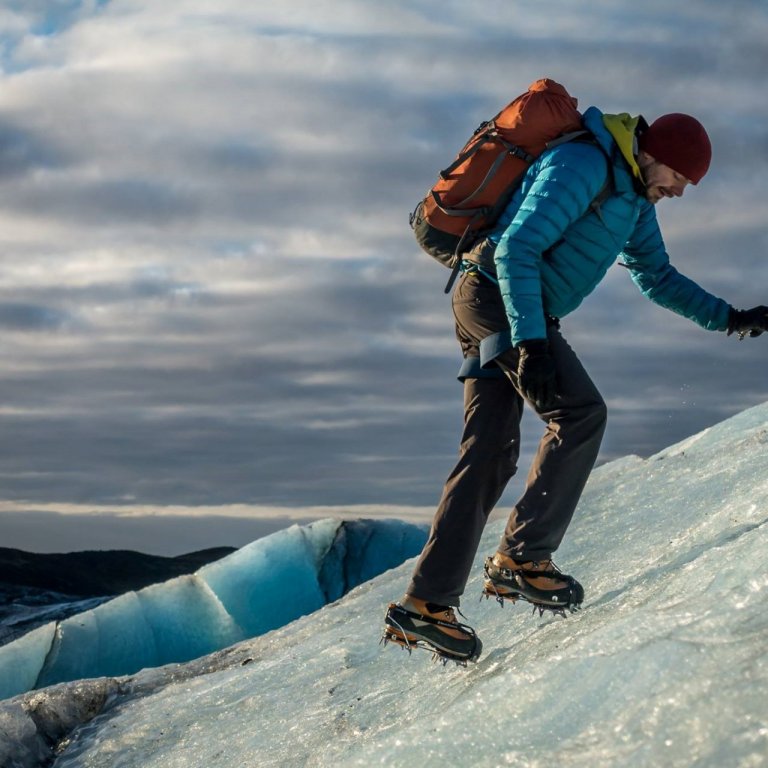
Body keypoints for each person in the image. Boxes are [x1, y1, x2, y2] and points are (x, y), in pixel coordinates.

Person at [382, 107, 768, 664]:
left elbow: (657, 277)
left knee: (490, 450)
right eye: (681, 179)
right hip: (497, 297)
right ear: (657, 155)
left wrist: (730, 318)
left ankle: (425, 604)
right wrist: (534, 342)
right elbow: (517, 248)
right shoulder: (584, 163)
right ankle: (522, 560)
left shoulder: (634, 198)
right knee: (580, 413)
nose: (681, 192)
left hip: (509, 306)